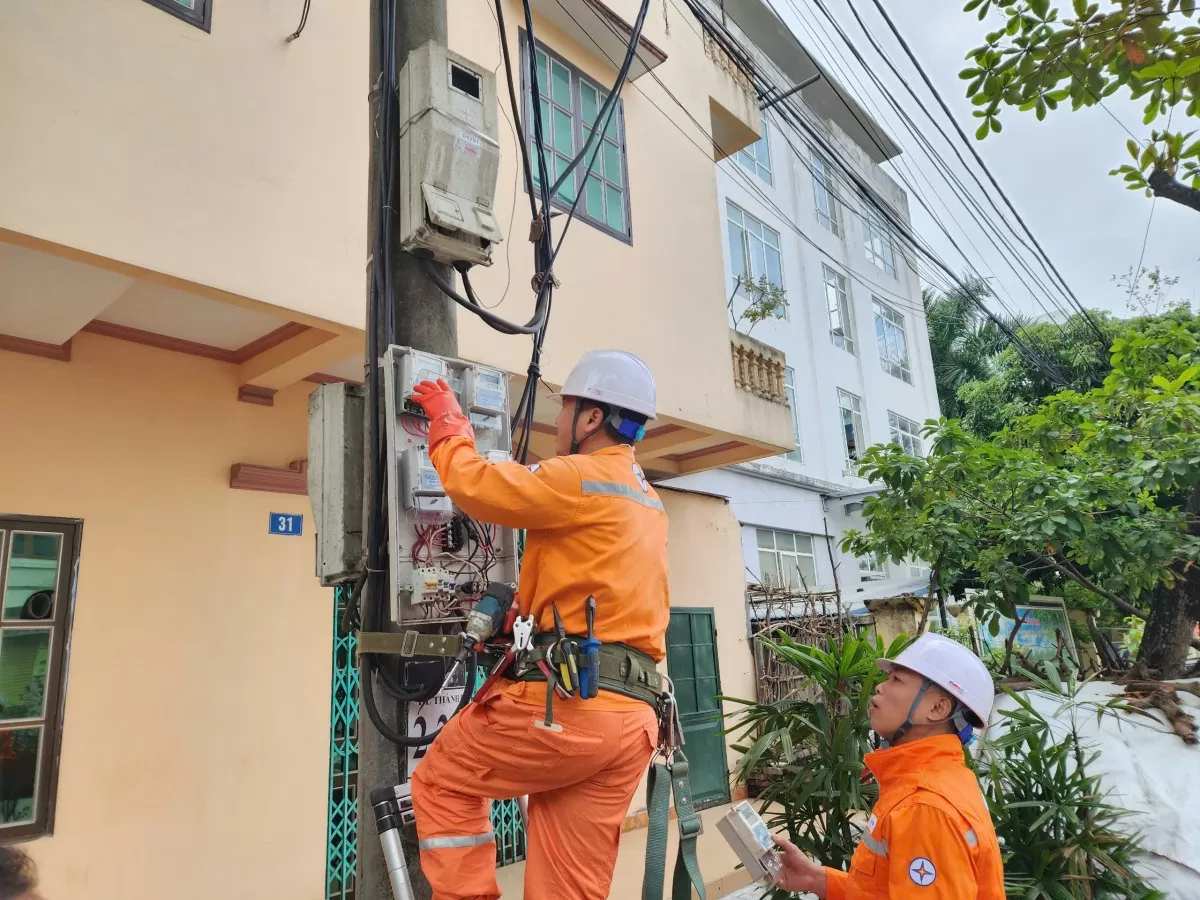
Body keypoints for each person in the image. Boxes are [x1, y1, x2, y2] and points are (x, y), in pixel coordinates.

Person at [408, 350, 668, 900]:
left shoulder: (580, 477)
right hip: (632, 722)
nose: (556, 424)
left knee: (440, 783)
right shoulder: (647, 499)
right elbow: (598, 593)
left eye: (566, 408)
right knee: (566, 887)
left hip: (569, 711)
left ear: (592, 418)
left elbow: (473, 484)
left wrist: (448, 419)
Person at [771, 633, 1004, 899]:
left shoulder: (924, 807)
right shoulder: (939, 780)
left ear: (938, 708)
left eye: (897, 679)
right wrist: (815, 878)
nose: (881, 687)